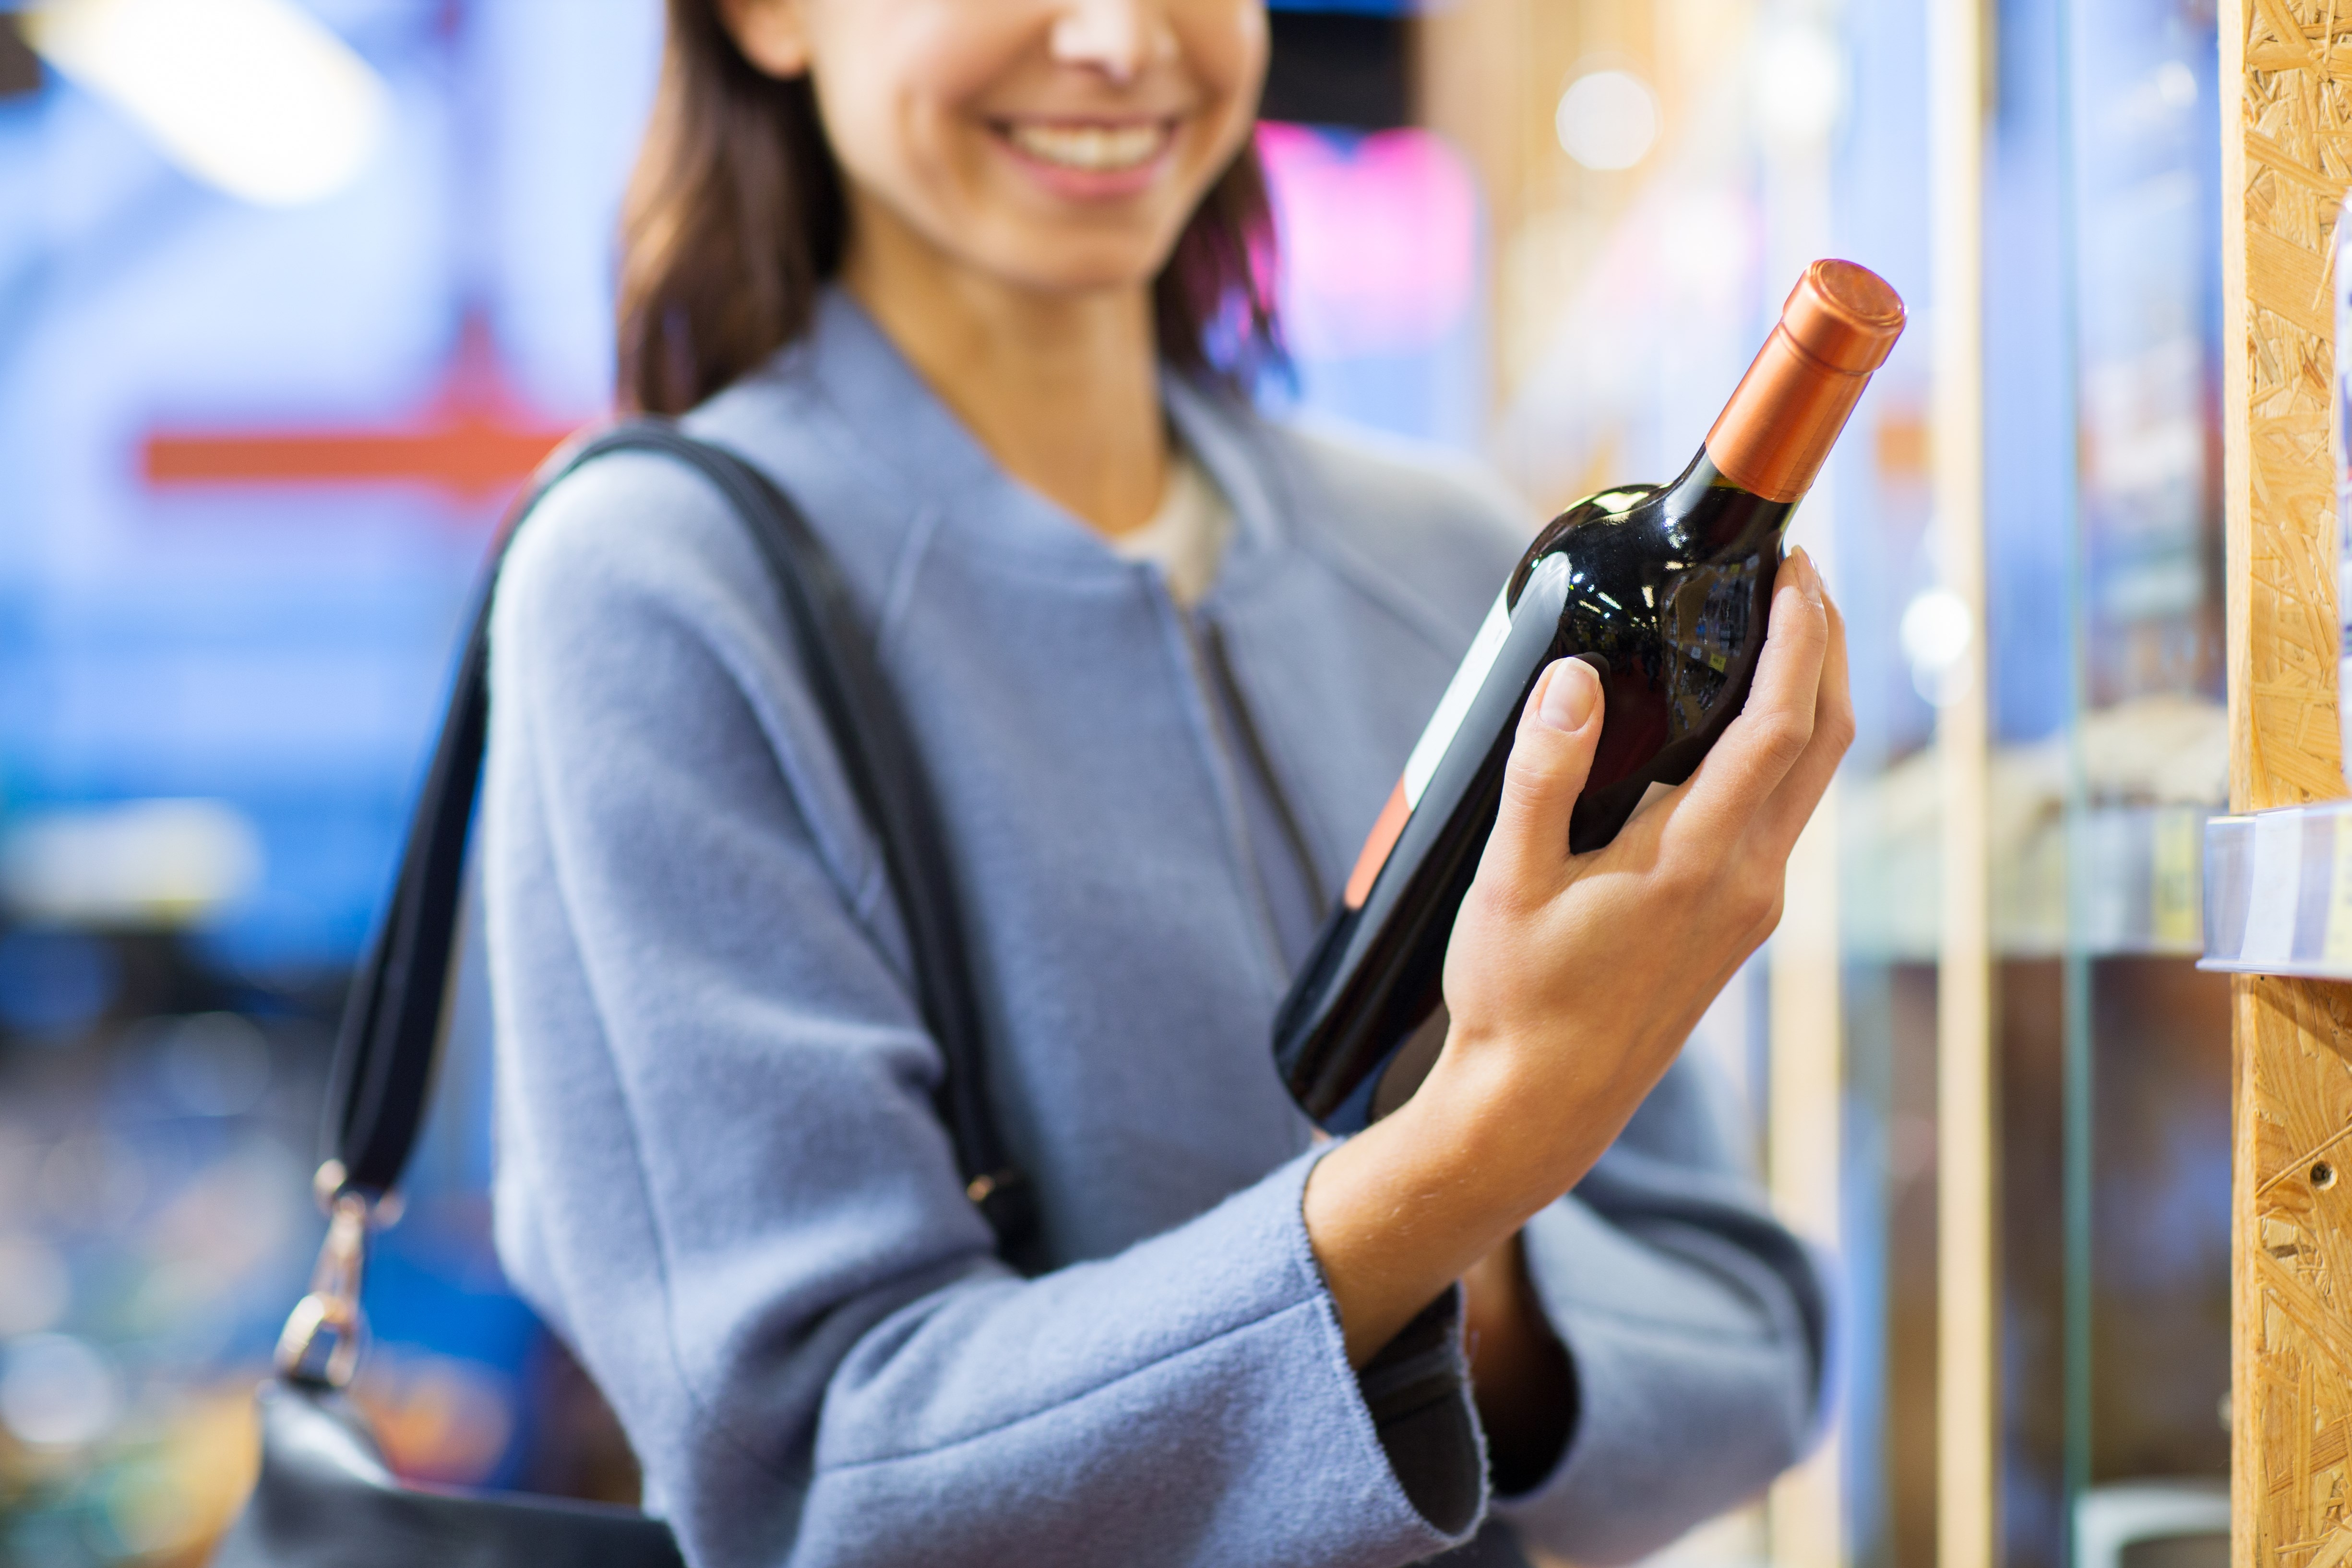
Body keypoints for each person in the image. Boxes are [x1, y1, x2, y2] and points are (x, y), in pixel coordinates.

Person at [481, 1, 1851, 1564]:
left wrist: (1475, 1259)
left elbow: (1756, 1355)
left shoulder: (1464, 563)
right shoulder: (656, 590)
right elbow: (818, 1486)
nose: (1125, 41)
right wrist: (1477, 1153)